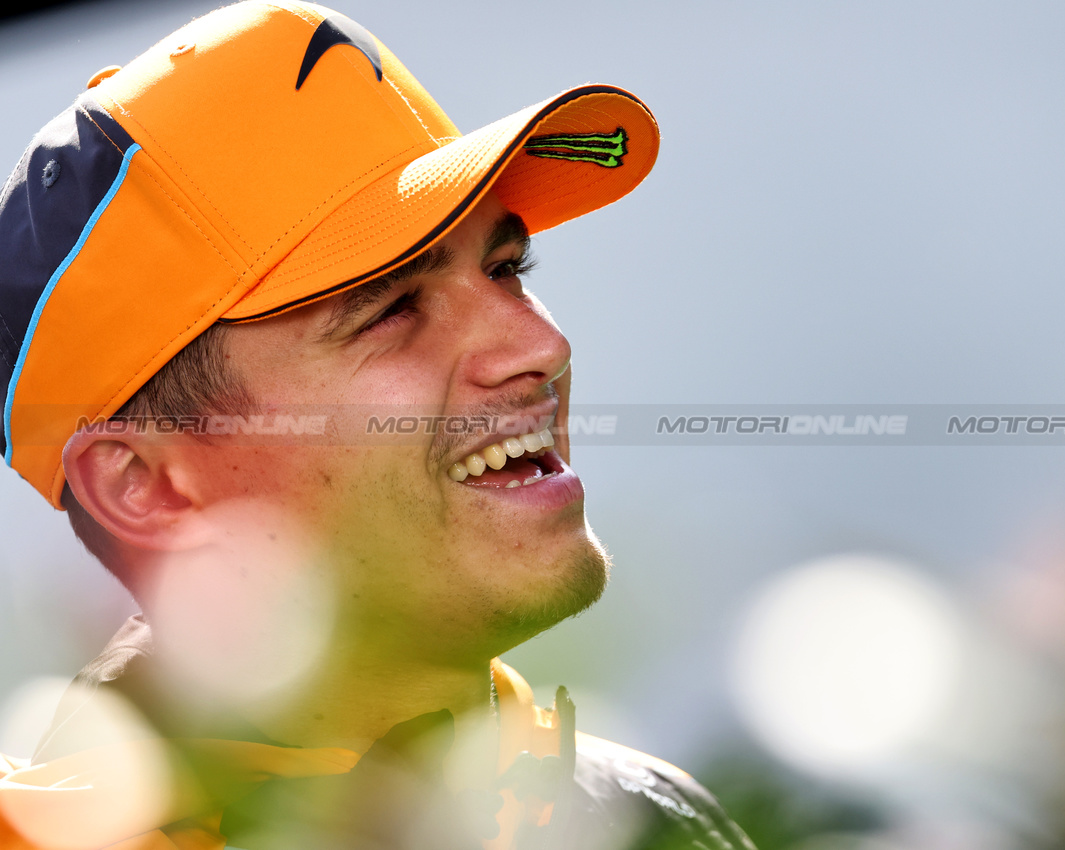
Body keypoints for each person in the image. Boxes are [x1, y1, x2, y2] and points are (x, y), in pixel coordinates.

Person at [0, 2, 755, 847]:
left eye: (505, 268)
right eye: (390, 310)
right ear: (146, 485)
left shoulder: (655, 817)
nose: (540, 345)